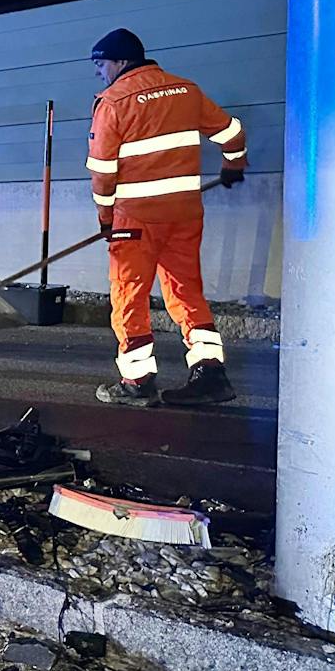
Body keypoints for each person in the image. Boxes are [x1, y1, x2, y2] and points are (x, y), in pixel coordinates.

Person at [87, 27, 246, 406]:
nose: (99, 73)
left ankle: (137, 382)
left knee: (130, 297)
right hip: (184, 214)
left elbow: (102, 171)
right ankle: (210, 374)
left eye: (101, 64)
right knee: (186, 289)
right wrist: (232, 166)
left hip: (135, 222)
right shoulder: (185, 90)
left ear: (121, 61)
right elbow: (231, 132)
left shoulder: (113, 102)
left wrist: (105, 218)